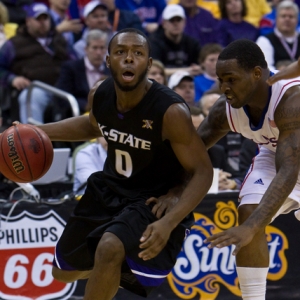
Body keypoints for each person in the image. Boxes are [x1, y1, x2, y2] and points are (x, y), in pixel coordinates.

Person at [32, 28, 213, 299]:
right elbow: (92, 125)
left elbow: (202, 172)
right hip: (110, 188)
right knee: (63, 272)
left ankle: (113, 263)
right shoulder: (100, 94)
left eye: (137, 53)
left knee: (109, 247)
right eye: (120, 52)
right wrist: (36, 132)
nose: (129, 59)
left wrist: (170, 221)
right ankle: (113, 269)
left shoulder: (170, 111)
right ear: (108, 60)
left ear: (149, 64)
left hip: (151, 199)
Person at [196, 39, 300, 299]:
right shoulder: (226, 110)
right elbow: (191, 152)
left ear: (256, 74)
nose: (225, 88)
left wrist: (251, 228)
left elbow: (290, 170)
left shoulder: (291, 98)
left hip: (290, 160)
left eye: (231, 79)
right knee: (249, 210)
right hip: (277, 153)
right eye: (221, 80)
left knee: (251, 224)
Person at [0, 2, 74, 124]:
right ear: (28, 21)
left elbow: (74, 64)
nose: (42, 22)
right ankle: (33, 139)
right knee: (31, 96)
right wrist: (11, 79)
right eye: (38, 19)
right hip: (36, 88)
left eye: (45, 18)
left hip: (63, 88)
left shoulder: (59, 40)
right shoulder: (14, 44)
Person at [148, 4, 202, 77]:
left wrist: (198, 69)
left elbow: (201, 67)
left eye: (178, 20)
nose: (175, 24)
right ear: (164, 23)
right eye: (171, 20)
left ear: (184, 22)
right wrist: (188, 71)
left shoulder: (192, 43)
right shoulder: (154, 42)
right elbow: (153, 71)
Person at [256, 0, 300, 70]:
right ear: (276, 19)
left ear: (297, 21)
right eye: (283, 16)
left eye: (291, 16)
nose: (287, 19)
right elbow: (265, 68)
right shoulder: (265, 40)